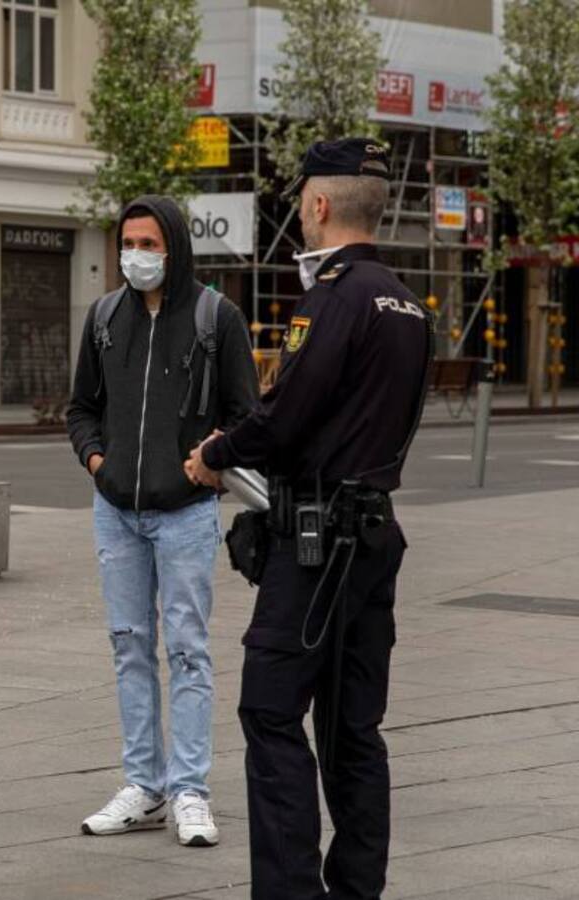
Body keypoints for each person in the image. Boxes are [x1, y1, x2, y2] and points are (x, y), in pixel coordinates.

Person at [186, 139, 432, 899]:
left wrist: (216, 452)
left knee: (269, 707)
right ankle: (357, 889)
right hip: (373, 533)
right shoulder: (408, 301)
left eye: (301, 201)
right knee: (353, 727)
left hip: (319, 544)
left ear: (319, 206)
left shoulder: (332, 297)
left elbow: (286, 416)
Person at [66, 195, 258, 846]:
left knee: (187, 651)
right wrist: (97, 461)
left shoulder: (215, 317)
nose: (137, 255)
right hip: (116, 511)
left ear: (174, 248)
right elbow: (80, 407)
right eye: (128, 242)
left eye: (150, 244)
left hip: (185, 514)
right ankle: (143, 785)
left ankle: (189, 791)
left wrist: (209, 460)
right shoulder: (104, 317)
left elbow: (246, 415)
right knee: (129, 648)